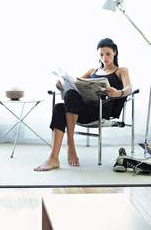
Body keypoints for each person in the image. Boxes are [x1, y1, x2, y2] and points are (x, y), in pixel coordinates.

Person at [34, 38, 131, 171]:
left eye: (108, 54)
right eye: (101, 54)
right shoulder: (92, 71)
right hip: (83, 110)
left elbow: (129, 89)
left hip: (101, 110)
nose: (104, 58)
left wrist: (118, 93)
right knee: (61, 105)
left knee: (65, 103)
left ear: (114, 52)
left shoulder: (121, 71)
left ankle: (70, 144)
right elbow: (75, 85)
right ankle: (54, 158)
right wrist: (62, 85)